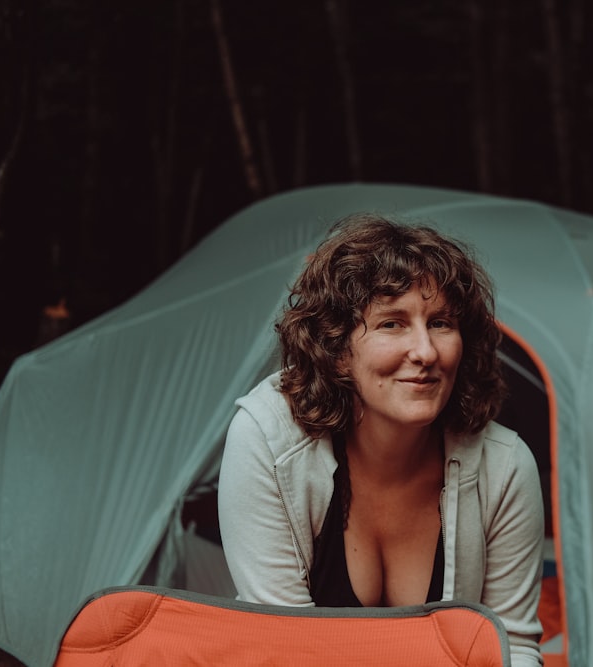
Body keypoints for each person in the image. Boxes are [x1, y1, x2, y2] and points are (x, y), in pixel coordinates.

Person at [218, 213, 545, 665]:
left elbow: (514, 646)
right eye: (392, 323)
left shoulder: (505, 466)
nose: (426, 352)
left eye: (441, 323)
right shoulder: (267, 440)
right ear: (336, 349)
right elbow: (284, 649)